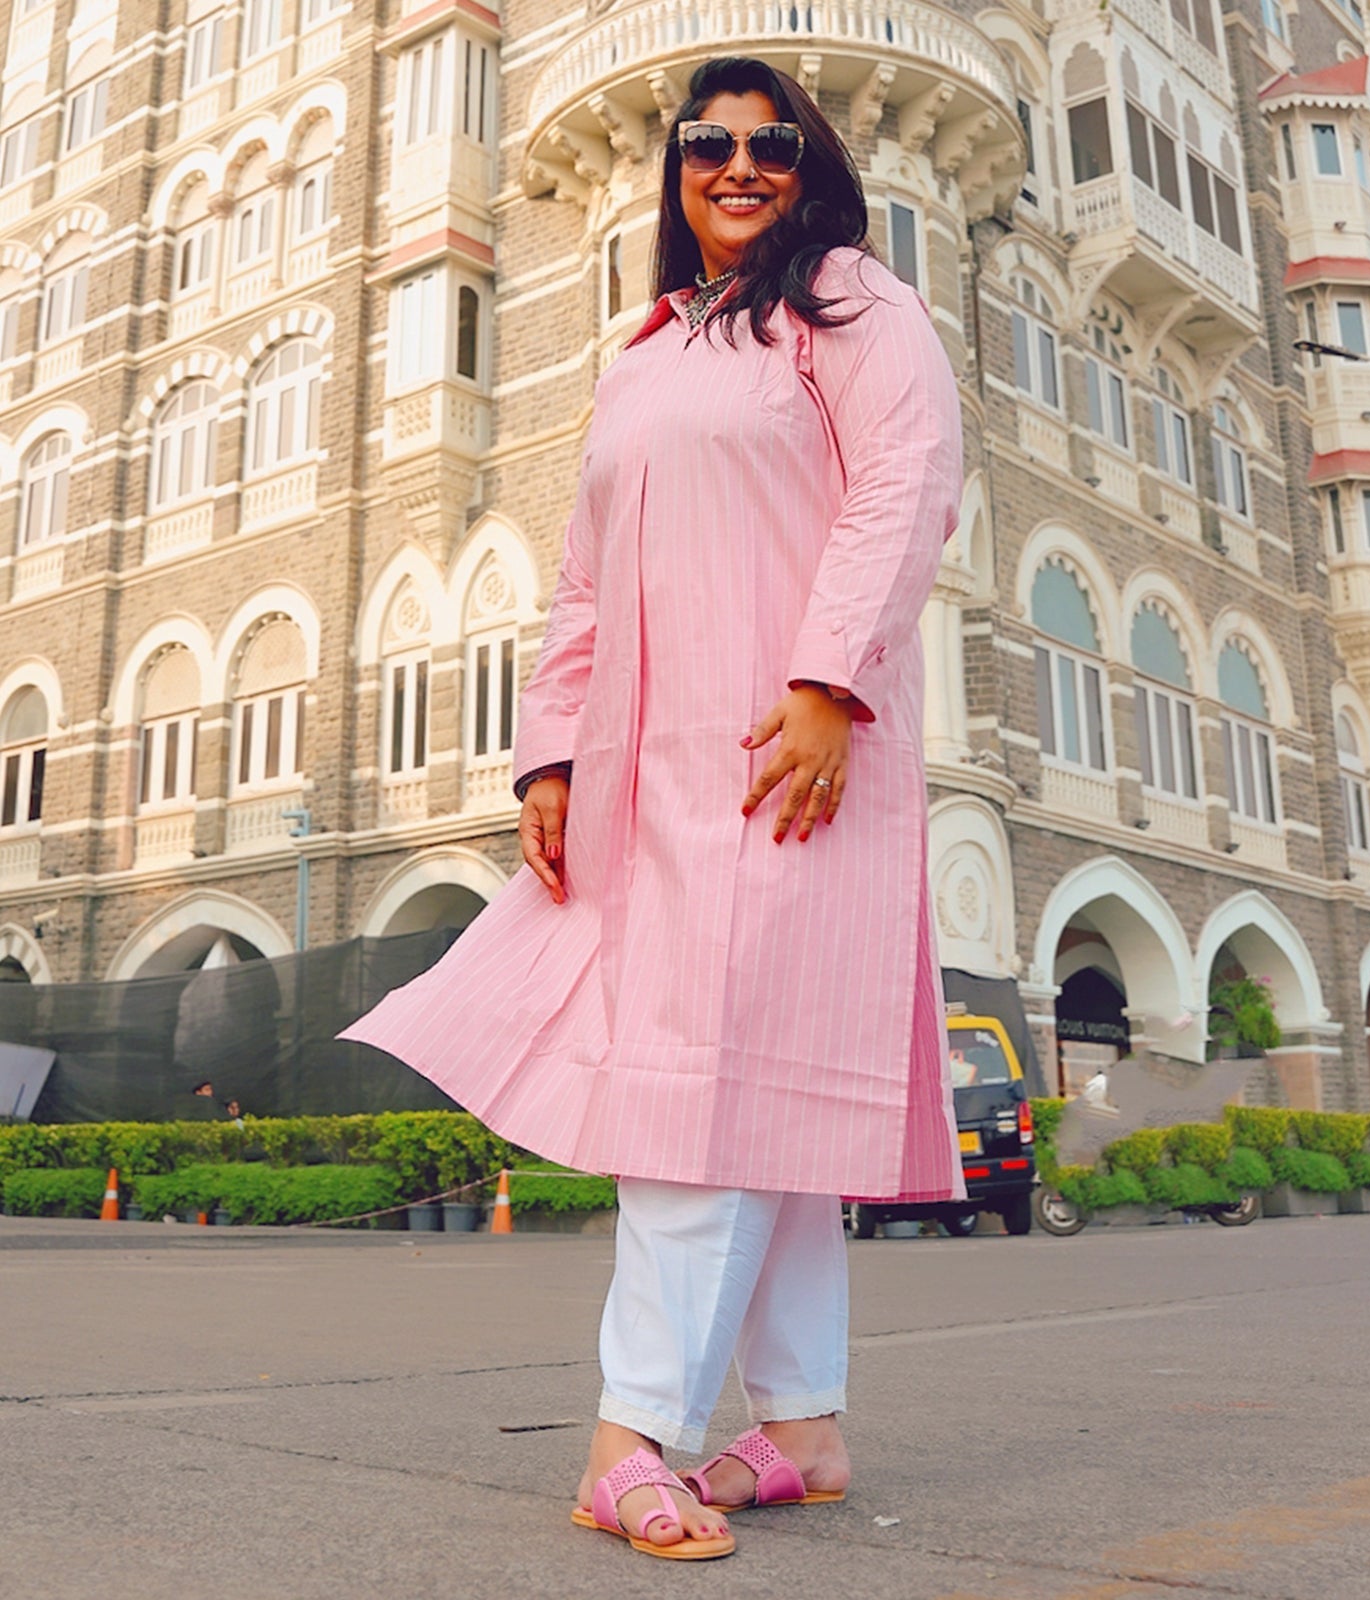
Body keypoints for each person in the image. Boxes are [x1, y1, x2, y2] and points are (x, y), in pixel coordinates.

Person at [344, 55, 965, 1563]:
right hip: (647, 779)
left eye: (768, 144)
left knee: (720, 1090)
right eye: (708, 146)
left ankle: (634, 1439)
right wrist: (547, 753)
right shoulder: (644, 351)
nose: (737, 165)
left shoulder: (854, 307)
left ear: (807, 166)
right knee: (750, 1088)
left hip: (787, 758)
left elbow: (908, 479)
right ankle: (801, 1428)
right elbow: (580, 576)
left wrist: (828, 683)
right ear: (675, 174)